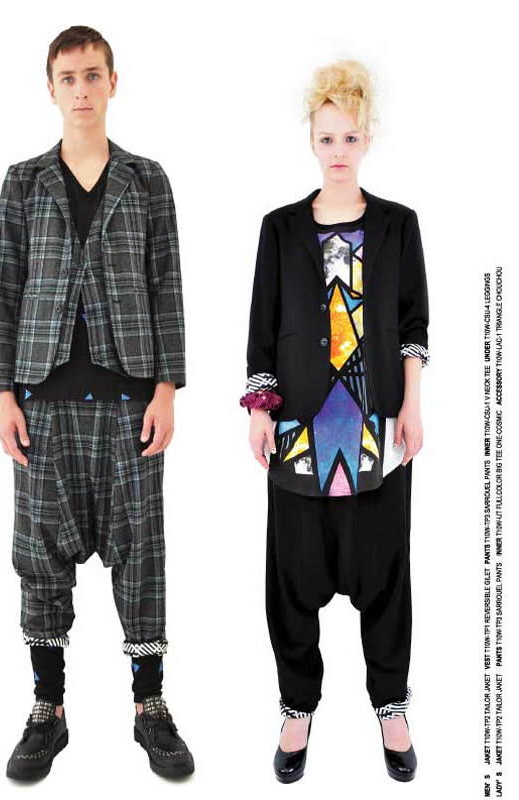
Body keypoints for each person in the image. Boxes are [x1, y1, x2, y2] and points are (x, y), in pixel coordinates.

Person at [0, 25, 194, 781]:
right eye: (68, 78)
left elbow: (167, 285)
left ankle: (151, 706)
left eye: (92, 75)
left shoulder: (147, 180)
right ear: (51, 89)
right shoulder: (23, 182)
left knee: (141, 556)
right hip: (42, 404)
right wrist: (4, 393)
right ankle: (48, 709)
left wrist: (167, 387)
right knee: (39, 560)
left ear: (114, 82)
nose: (81, 89)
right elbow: (5, 289)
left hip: (130, 402)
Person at [240, 59, 429, 784]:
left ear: (368, 138)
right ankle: (297, 707)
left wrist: (412, 404)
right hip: (298, 430)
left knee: (385, 569)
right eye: (327, 138)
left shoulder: (398, 226)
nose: (339, 150)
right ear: (311, 141)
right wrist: (260, 410)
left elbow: (412, 324)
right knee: (292, 574)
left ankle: (391, 705)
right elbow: (261, 329)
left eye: (351, 137)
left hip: (376, 426)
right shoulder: (280, 228)